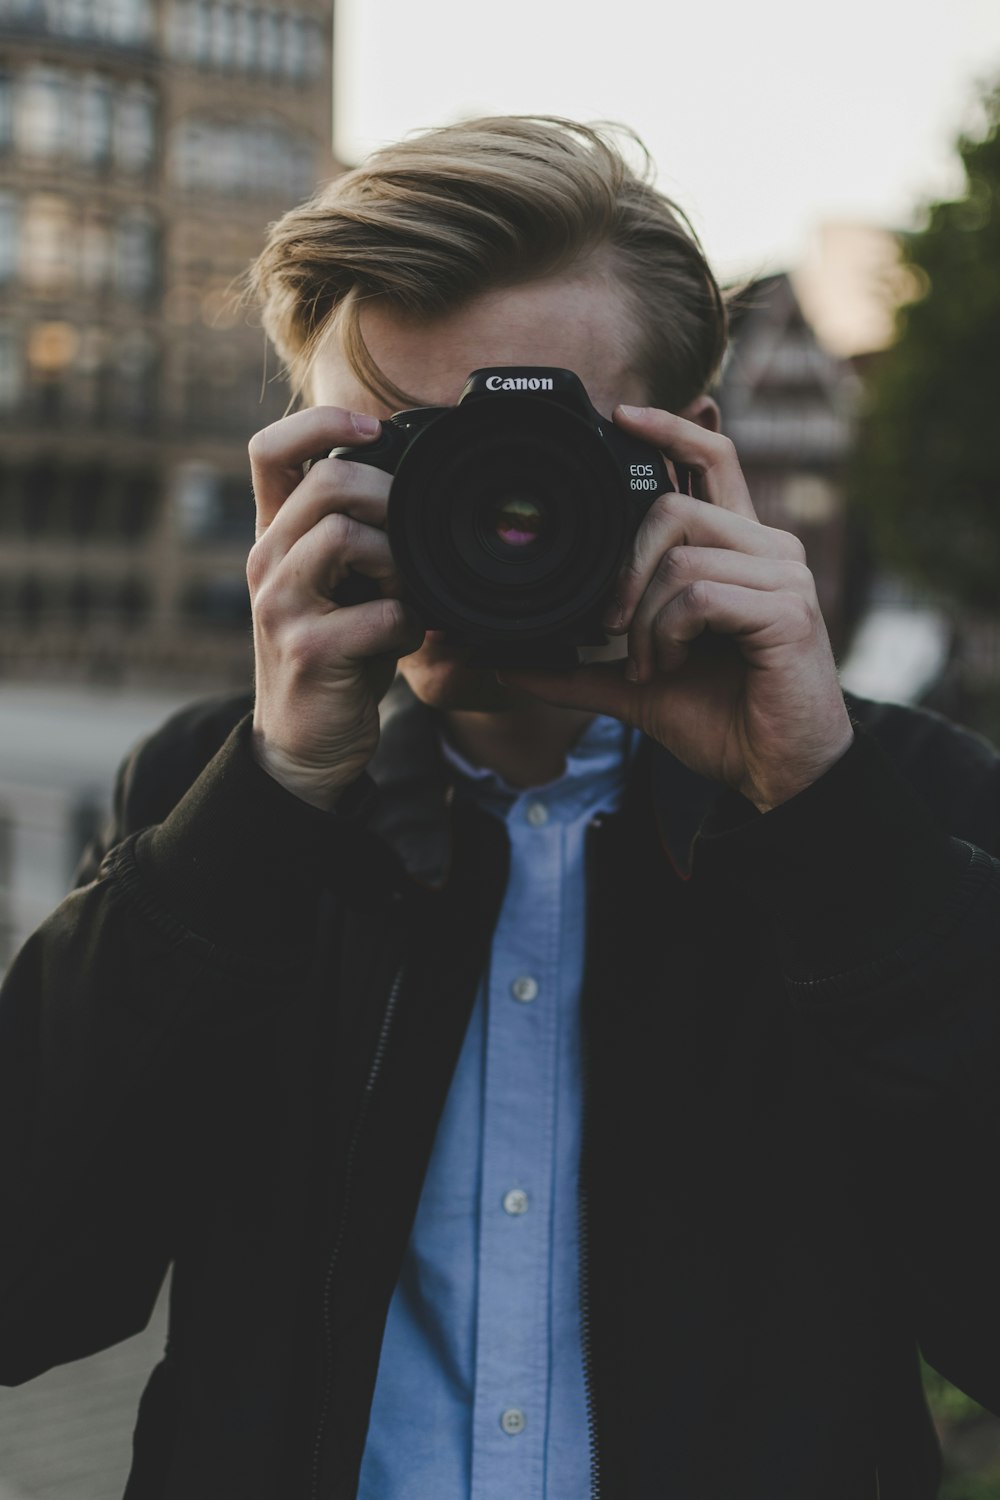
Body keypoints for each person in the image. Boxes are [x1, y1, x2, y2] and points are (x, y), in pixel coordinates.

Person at [1, 116, 998, 1500]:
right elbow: (27, 1291)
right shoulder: (214, 802)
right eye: (415, 458)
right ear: (301, 474)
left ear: (690, 464)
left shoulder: (900, 809)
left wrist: (822, 817)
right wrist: (273, 800)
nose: (491, 515)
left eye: (539, 457)